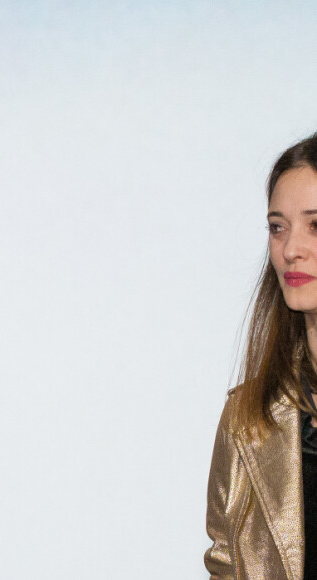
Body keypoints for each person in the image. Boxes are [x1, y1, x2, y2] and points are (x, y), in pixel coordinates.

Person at [204, 133, 317, 579]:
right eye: (278, 227)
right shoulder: (248, 417)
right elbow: (225, 564)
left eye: (316, 225)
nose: (291, 249)